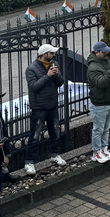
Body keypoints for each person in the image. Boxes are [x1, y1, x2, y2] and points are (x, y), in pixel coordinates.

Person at [24, 43, 68, 175]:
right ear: (44, 54)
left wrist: (56, 75)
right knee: (35, 135)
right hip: (39, 107)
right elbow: (34, 87)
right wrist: (47, 76)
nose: (54, 55)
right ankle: (29, 162)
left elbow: (60, 82)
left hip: (52, 104)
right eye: (52, 53)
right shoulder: (31, 69)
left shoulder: (54, 65)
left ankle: (55, 154)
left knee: (55, 131)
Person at [88, 40, 110, 163]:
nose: (107, 54)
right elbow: (101, 83)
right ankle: (96, 152)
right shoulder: (93, 68)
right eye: (104, 52)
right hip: (100, 104)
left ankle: (104, 148)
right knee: (98, 129)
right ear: (97, 53)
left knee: (106, 128)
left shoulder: (105, 61)